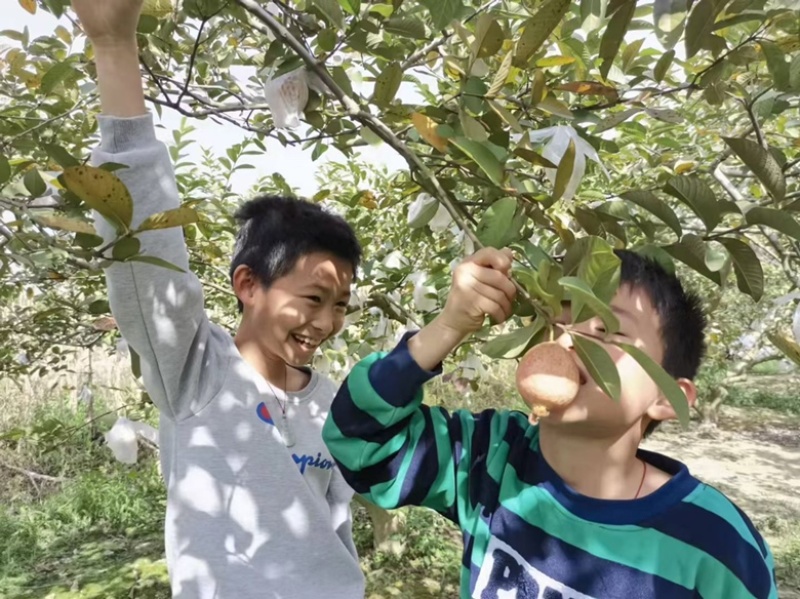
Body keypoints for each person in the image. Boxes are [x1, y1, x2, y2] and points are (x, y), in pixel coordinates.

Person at [71, 1, 365, 597]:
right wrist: (113, 45)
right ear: (248, 285)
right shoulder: (195, 373)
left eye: (339, 305)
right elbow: (147, 254)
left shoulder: (332, 401)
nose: (326, 322)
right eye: (312, 298)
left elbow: (336, 526)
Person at [323, 246, 778, 598]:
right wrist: (447, 325)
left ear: (667, 397)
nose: (570, 338)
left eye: (605, 329)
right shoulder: (491, 456)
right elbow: (358, 440)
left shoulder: (716, 542)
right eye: (559, 320)